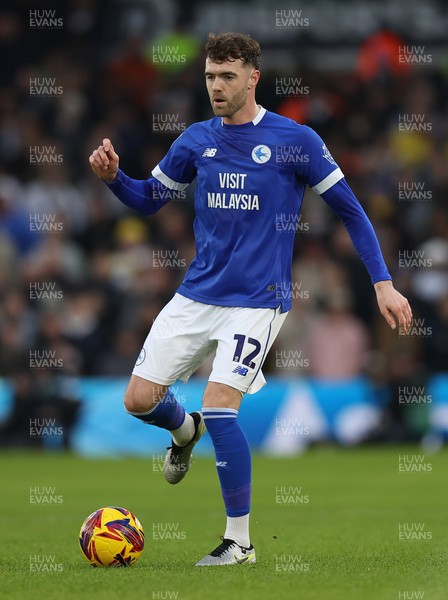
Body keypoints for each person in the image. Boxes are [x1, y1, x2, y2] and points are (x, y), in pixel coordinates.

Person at [89, 32, 412, 566]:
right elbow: (149, 199)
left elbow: (352, 211)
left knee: (221, 409)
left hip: (259, 300)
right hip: (197, 293)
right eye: (211, 77)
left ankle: (239, 542)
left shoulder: (296, 141)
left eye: (228, 77)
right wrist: (112, 178)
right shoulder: (194, 140)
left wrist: (382, 281)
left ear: (253, 78)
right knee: (138, 401)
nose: (217, 86)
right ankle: (182, 429)